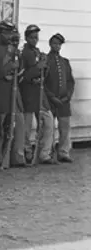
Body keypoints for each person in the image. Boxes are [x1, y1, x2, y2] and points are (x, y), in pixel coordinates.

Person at [0, 21, 26, 168]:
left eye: (10, 33)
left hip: (13, 91)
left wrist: (17, 68)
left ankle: (13, 156)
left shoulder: (13, 50)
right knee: (1, 126)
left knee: (15, 125)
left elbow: (21, 70)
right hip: (0, 92)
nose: (9, 36)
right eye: (6, 33)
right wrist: (8, 69)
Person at [20, 24, 49, 164]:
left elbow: (44, 72)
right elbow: (22, 76)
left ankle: (43, 151)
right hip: (27, 92)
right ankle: (27, 151)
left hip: (38, 92)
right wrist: (37, 68)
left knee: (46, 122)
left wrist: (44, 67)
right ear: (26, 38)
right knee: (26, 125)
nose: (34, 40)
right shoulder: (23, 53)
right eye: (32, 37)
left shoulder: (37, 52)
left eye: (36, 37)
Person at [46, 33, 75, 163]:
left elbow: (70, 81)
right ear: (50, 44)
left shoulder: (65, 62)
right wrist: (51, 96)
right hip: (50, 101)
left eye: (58, 44)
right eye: (54, 43)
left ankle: (63, 152)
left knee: (65, 127)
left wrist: (68, 96)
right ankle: (48, 152)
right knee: (49, 128)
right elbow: (44, 83)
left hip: (64, 101)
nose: (56, 46)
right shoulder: (46, 60)